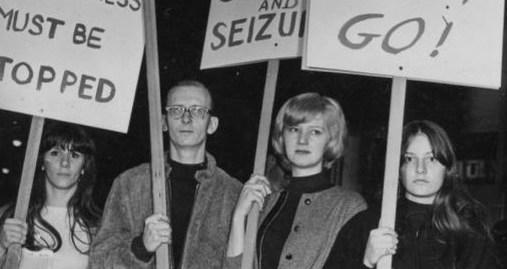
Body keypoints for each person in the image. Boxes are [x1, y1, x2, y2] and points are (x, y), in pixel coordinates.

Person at [89, 80, 242, 269]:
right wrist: (141, 248)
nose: (186, 119)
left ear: (212, 124)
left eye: (197, 111)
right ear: (163, 122)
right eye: (176, 110)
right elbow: (98, 263)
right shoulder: (129, 184)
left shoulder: (232, 193)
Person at [324, 120, 497, 269]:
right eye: (410, 158)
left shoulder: (469, 230)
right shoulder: (366, 225)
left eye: (431, 159)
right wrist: (367, 263)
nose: (420, 169)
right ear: (397, 168)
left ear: (447, 169)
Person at [226, 92, 367, 269]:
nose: (302, 140)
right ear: (282, 137)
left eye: (315, 132)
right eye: (294, 129)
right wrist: (239, 216)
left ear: (330, 140)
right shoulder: (265, 202)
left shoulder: (349, 206)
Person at [0, 124, 101, 269]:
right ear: (42, 162)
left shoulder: (98, 227)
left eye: (74, 155)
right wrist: (2, 246)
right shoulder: (11, 216)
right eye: (55, 153)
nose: (65, 162)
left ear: (84, 166)